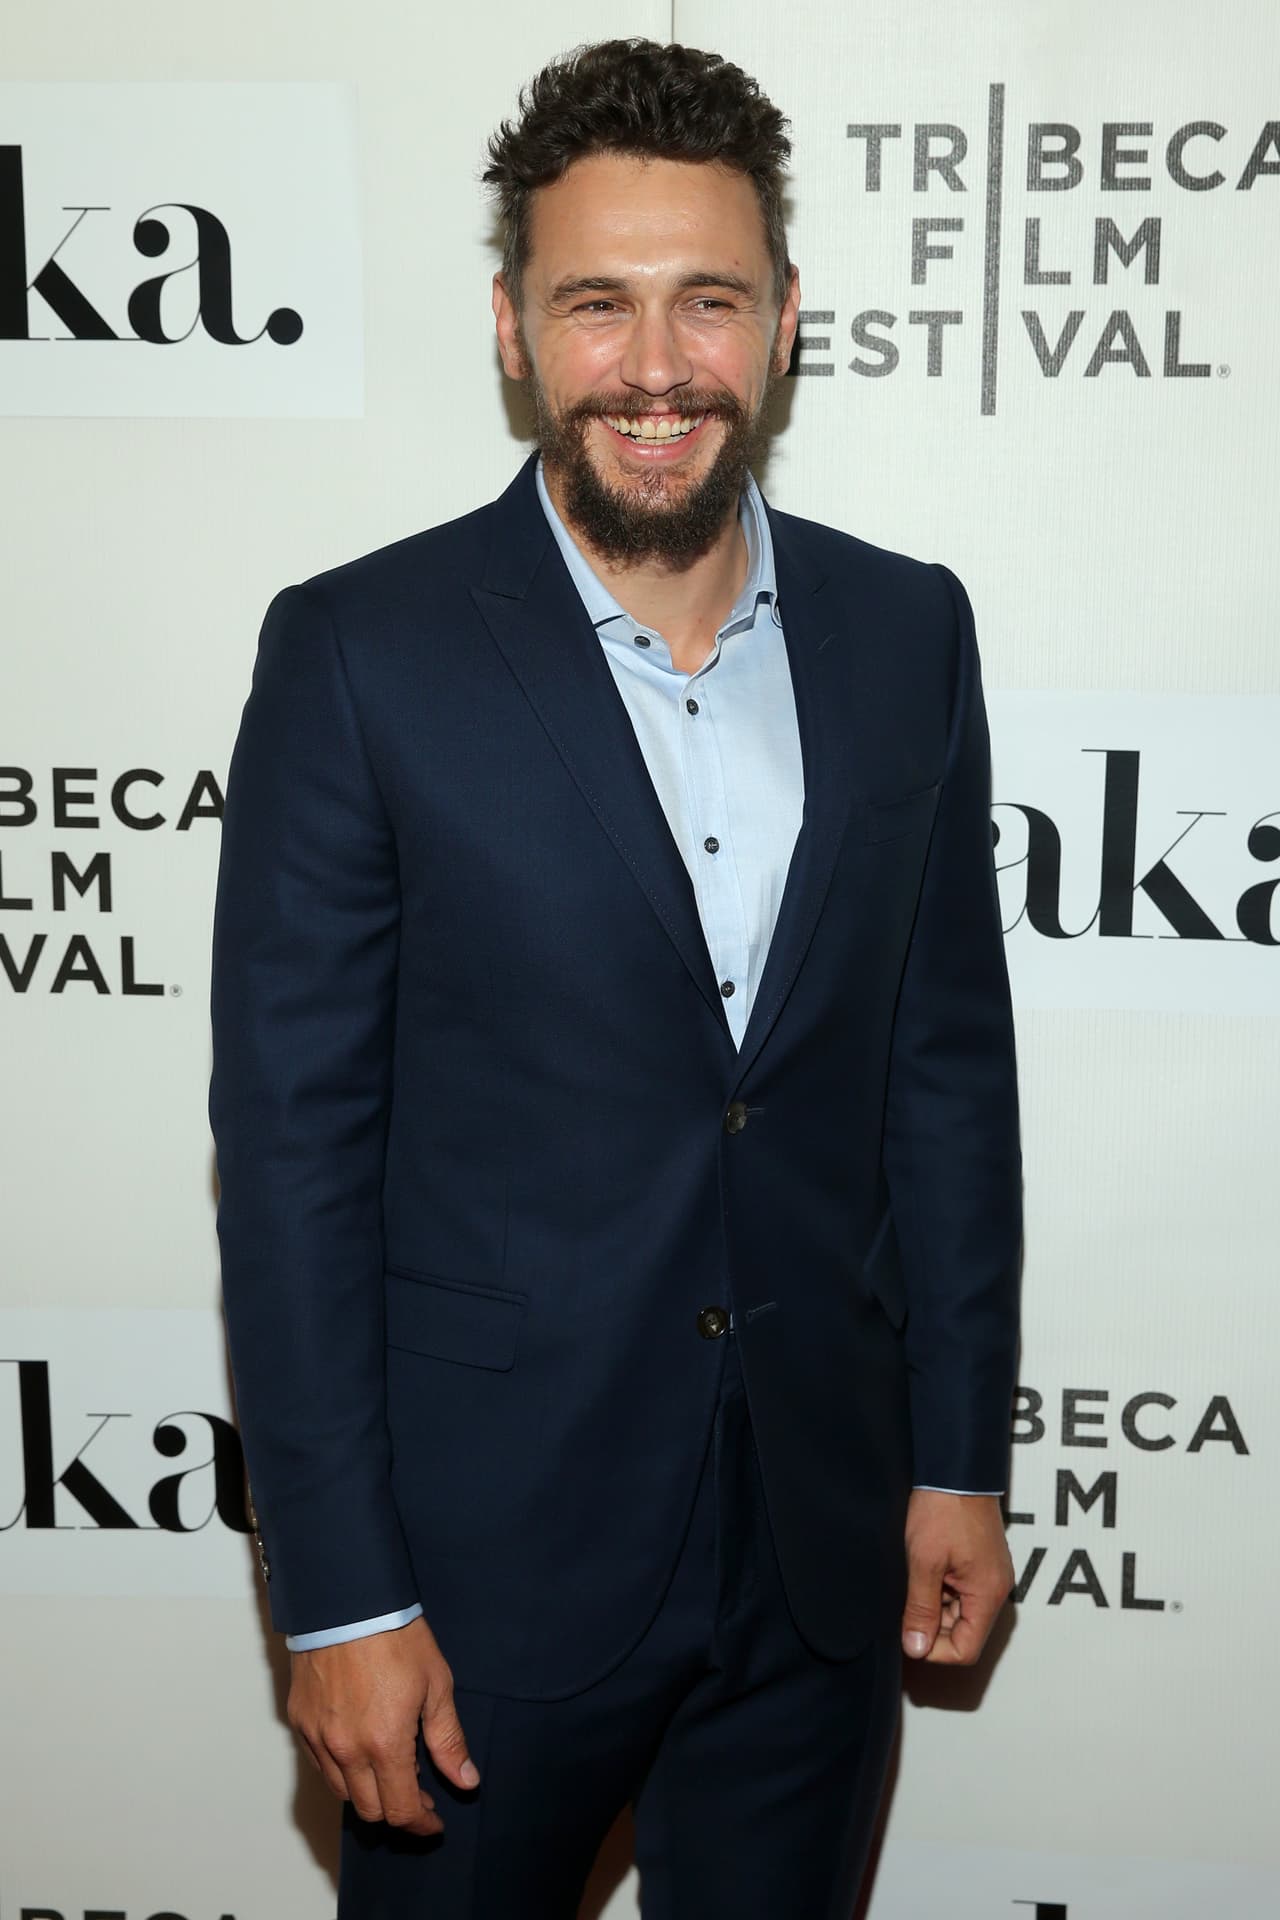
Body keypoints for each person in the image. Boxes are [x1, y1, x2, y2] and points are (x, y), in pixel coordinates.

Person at [208, 36, 1022, 1920]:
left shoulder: (910, 630)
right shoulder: (360, 654)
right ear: (515, 329)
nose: (657, 367)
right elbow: (295, 1158)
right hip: (476, 1581)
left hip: (817, 1560)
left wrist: (958, 1458)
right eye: (598, 304)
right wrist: (339, 1597)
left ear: (785, 320)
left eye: (707, 301)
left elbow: (944, 1076)